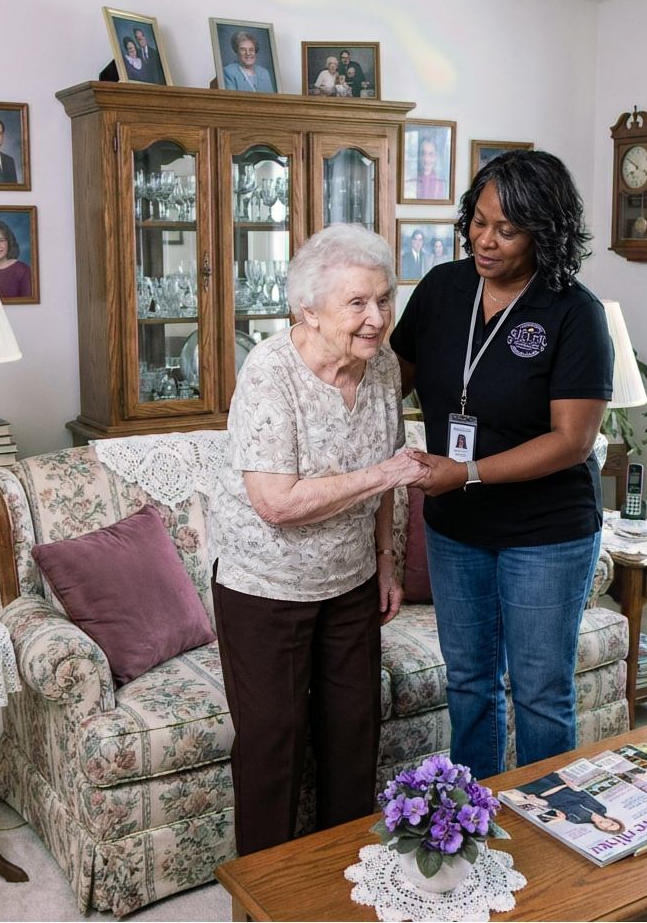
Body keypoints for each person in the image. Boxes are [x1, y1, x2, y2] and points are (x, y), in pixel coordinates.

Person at [390, 149, 614, 778]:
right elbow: (388, 383)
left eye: (507, 230)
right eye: (478, 221)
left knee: (541, 695)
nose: (484, 241)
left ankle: (551, 837)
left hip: (545, 534)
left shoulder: (574, 312)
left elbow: (572, 440)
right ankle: (476, 828)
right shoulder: (441, 287)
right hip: (455, 529)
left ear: (544, 234)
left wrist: (467, 472)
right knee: (468, 685)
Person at [208, 224, 429, 856]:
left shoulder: (382, 366)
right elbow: (274, 502)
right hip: (265, 587)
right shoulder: (270, 373)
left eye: (384, 299)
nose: (377, 318)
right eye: (357, 303)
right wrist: (387, 472)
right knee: (273, 744)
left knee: (354, 734)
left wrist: (386, 561)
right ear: (307, 309)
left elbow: (385, 474)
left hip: (351, 581)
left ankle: (339, 886)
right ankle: (263, 900)